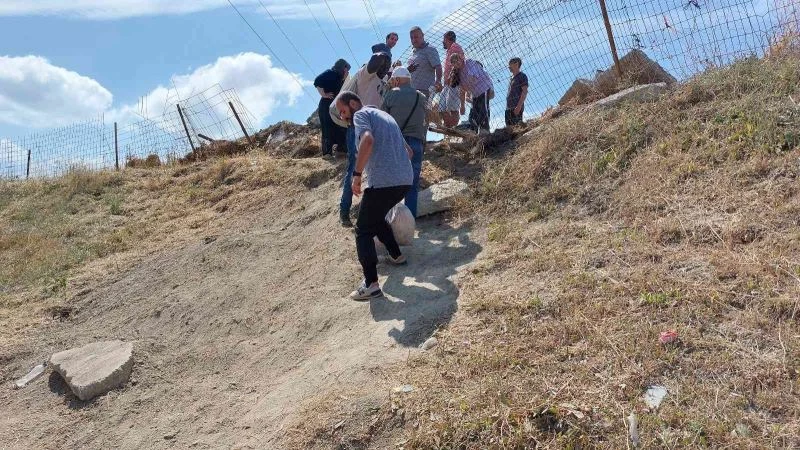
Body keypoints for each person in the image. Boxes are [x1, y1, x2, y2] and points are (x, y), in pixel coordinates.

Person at [334, 91, 413, 301]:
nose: (343, 117)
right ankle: (396, 255)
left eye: (343, 111)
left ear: (353, 103)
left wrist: (357, 175)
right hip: (405, 181)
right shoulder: (386, 117)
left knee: (362, 230)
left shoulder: (361, 115)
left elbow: (367, 141)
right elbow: (409, 152)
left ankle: (371, 284)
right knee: (375, 218)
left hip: (385, 183)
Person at [330, 55, 390, 227]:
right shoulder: (366, 75)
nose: (385, 66)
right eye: (385, 64)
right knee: (354, 168)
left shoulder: (383, 82)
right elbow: (375, 61)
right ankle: (344, 212)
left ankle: (377, 211)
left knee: (375, 167)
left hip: (373, 127)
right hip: (356, 127)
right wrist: (384, 54)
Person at [382, 67, 426, 217]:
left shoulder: (390, 95)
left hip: (396, 144)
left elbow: (383, 120)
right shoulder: (421, 97)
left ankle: (391, 222)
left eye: (394, 80)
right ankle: (410, 222)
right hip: (416, 144)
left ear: (398, 80)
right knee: (412, 185)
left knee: (392, 183)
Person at [313, 59, 350, 158]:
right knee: (327, 128)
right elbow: (317, 81)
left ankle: (341, 150)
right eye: (347, 70)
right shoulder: (331, 73)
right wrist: (323, 94)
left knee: (340, 126)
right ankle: (327, 153)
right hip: (326, 105)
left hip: (335, 107)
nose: (348, 72)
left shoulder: (341, 79)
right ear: (343, 68)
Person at [450, 53, 493, 134]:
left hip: (484, 87)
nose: (456, 63)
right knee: (475, 112)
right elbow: (461, 91)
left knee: (483, 108)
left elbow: (472, 78)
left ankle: (485, 130)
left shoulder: (470, 63)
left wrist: (465, 88)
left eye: (457, 60)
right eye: (454, 63)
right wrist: (462, 106)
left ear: (461, 58)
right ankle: (474, 131)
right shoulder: (458, 73)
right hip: (475, 93)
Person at [407, 26, 442, 105]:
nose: (413, 40)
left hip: (425, 90)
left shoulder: (430, 49)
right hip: (412, 90)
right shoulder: (413, 52)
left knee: (422, 115)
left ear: (422, 36)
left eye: (416, 37)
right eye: (411, 38)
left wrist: (438, 80)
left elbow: (438, 66)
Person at [439, 31, 464, 128]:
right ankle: (449, 126)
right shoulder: (450, 49)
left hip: (454, 82)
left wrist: (452, 77)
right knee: (442, 106)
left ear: (448, 38)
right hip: (448, 83)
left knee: (453, 108)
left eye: (444, 39)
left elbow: (459, 64)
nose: (442, 42)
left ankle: (452, 127)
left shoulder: (455, 47)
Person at [505, 57, 529, 126]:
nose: (508, 67)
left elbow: (525, 91)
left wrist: (518, 107)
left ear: (516, 64)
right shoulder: (511, 79)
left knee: (516, 129)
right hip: (508, 108)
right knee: (509, 132)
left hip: (516, 108)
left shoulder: (522, 76)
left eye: (510, 64)